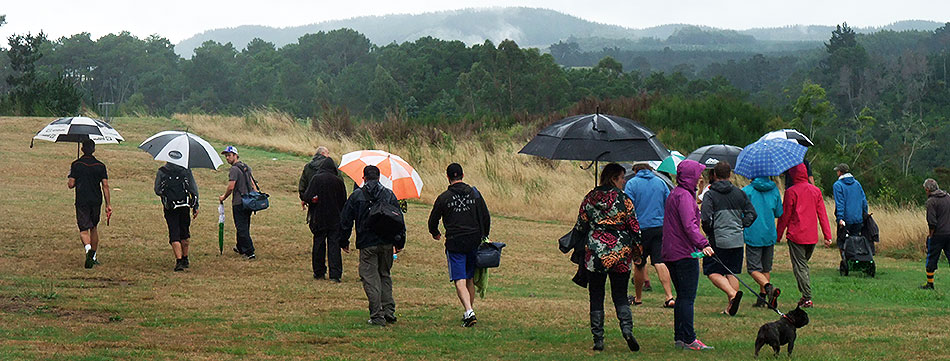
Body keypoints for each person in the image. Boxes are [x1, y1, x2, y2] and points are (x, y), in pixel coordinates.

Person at [574, 163, 641, 352]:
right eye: (622, 178)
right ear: (613, 179)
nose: (624, 181)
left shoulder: (590, 197)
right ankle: (627, 330)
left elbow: (580, 225)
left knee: (596, 295)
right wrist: (637, 253)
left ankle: (598, 339)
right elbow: (635, 227)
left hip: (595, 252)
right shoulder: (624, 200)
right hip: (620, 252)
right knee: (620, 294)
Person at [340, 165, 406, 327]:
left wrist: (344, 240)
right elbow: (399, 220)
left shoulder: (357, 196)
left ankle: (377, 315)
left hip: (367, 243)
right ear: (379, 178)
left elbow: (345, 220)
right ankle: (389, 311)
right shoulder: (389, 194)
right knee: (384, 275)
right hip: (387, 242)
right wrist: (399, 242)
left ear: (363, 178)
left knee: (370, 278)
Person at [428, 163, 491, 327]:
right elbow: (485, 216)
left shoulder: (443, 198)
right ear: (462, 175)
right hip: (473, 240)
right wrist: (484, 235)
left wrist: (434, 232)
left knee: (459, 279)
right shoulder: (475, 194)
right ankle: (469, 311)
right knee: (469, 277)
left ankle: (469, 312)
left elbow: (433, 219)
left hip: (455, 242)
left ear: (448, 177)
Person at [663, 159, 715, 351]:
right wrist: (704, 244)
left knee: (682, 296)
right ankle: (689, 339)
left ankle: (680, 338)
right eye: (698, 174)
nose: (700, 177)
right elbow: (689, 226)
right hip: (683, 253)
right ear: (690, 176)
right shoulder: (684, 196)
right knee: (687, 297)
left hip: (672, 252)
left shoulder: (677, 193)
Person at [700, 162, 756, 316]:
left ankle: (732, 295)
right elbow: (752, 214)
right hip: (737, 239)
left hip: (718, 240)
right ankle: (731, 308)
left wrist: (709, 231)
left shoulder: (710, 195)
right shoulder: (740, 193)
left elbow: (705, 218)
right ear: (729, 175)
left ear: (714, 175)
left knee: (712, 271)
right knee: (732, 272)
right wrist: (741, 225)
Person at [776, 163, 832, 308]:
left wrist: (778, 234)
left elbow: (785, 215)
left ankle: (807, 297)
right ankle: (804, 296)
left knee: (800, 267)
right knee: (803, 266)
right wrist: (827, 235)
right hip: (811, 236)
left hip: (796, 235)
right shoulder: (816, 191)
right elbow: (822, 214)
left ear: (793, 175)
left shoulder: (791, 191)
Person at [623, 163, 674, 308]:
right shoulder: (661, 182)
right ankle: (669, 296)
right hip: (659, 227)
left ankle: (638, 298)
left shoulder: (631, 184)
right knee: (660, 261)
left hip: (640, 229)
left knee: (639, 263)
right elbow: (668, 203)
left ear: (635, 170)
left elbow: (628, 207)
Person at [68, 139, 112, 269]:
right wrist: (108, 204)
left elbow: (71, 184)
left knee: (83, 229)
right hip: (96, 200)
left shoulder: (76, 164)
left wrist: (72, 175)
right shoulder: (100, 166)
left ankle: (89, 251)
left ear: (82, 149)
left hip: (82, 199)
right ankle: (93, 256)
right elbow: (105, 185)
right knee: (93, 227)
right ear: (94, 149)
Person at [303, 156, 347, 282]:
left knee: (318, 244)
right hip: (335, 218)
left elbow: (307, 196)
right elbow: (343, 201)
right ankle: (335, 274)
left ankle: (319, 272)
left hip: (319, 217)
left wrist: (313, 200)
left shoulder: (317, 179)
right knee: (334, 246)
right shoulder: (338, 181)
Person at [742, 177, 783, 308]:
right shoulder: (774, 190)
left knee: (753, 269)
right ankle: (763, 299)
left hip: (753, 233)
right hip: (769, 233)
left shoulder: (746, 191)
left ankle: (768, 287)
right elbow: (778, 212)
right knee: (765, 268)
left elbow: (741, 213)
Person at [154, 162, 199, 272]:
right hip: (184, 205)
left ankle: (179, 261)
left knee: (174, 231)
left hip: (170, 207)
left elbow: (157, 190)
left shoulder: (162, 171)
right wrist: (195, 205)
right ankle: (185, 258)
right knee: (184, 231)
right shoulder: (186, 170)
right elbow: (193, 188)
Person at [218, 146, 258, 260]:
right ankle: (240, 247)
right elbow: (252, 183)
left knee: (241, 228)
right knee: (244, 225)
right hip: (249, 201)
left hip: (239, 202)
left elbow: (231, 187)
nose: (227, 158)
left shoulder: (234, 169)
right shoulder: (246, 167)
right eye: (226, 156)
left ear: (236, 155)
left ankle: (250, 251)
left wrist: (223, 197)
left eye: (229, 155)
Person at [922, 179, 950, 290]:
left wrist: (930, 235)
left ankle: (930, 283)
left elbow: (932, 222)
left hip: (938, 235)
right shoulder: (948, 197)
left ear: (928, 189)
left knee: (931, 259)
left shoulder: (931, 201)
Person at [832, 163, 868, 247]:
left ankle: (845, 260)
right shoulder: (857, 184)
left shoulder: (837, 185)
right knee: (855, 243)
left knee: (842, 243)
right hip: (858, 218)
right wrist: (865, 214)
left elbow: (840, 203)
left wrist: (840, 218)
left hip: (845, 220)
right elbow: (863, 201)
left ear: (840, 172)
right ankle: (854, 259)